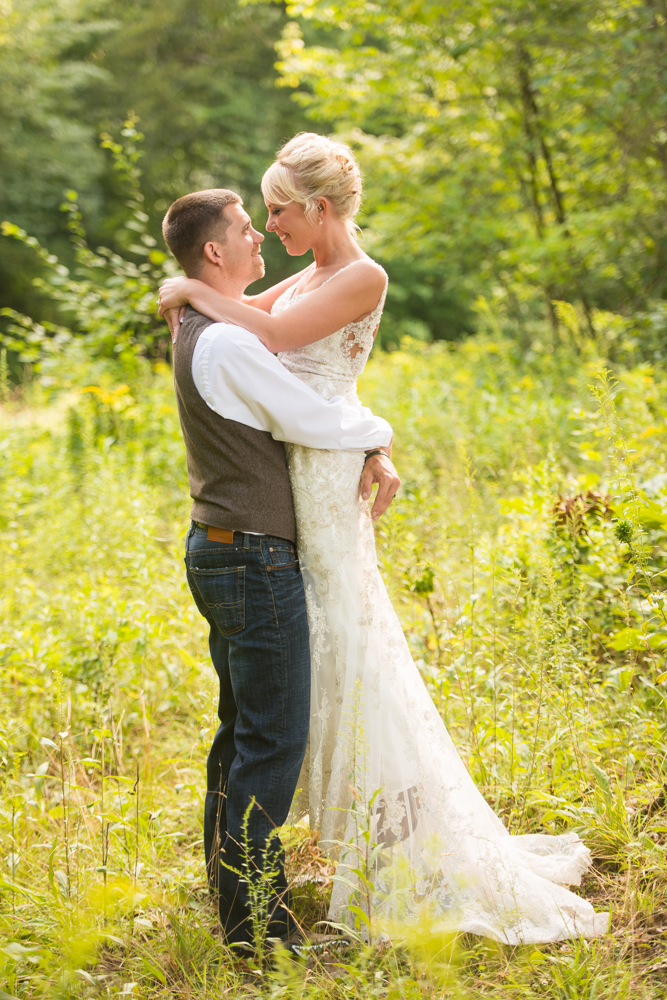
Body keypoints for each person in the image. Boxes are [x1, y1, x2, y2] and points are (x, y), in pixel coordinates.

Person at [159, 133, 610, 944]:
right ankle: (254, 904)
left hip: (319, 486)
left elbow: (279, 343)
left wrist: (187, 288)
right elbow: (261, 330)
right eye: (258, 218)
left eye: (280, 211)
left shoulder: (360, 273)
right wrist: (197, 292)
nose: (271, 227)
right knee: (289, 699)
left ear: (320, 208)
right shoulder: (309, 276)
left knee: (335, 664)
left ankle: (345, 861)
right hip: (292, 487)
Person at [161, 185, 400, 950]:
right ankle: (257, 928)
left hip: (226, 549)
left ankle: (231, 898)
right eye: (244, 228)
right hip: (253, 558)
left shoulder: (209, 325)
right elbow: (310, 419)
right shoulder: (227, 341)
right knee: (271, 740)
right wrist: (380, 432)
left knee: (241, 734)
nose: (259, 237)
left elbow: (289, 332)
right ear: (213, 251)